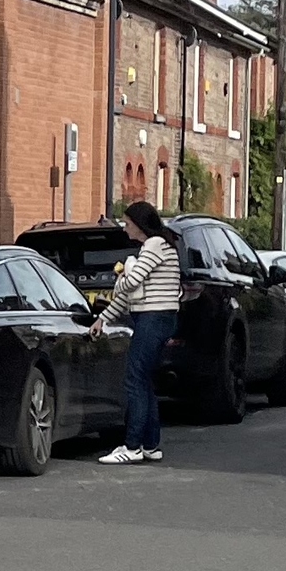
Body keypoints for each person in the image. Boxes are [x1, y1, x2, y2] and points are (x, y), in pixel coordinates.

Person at [94, 197, 183, 464]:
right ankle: (150, 445)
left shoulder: (154, 245)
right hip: (155, 318)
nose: (124, 228)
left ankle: (131, 446)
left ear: (140, 225)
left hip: (153, 319)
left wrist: (122, 272)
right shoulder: (155, 247)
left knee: (134, 380)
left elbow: (130, 283)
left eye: (127, 223)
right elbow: (128, 296)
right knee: (143, 380)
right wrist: (103, 319)